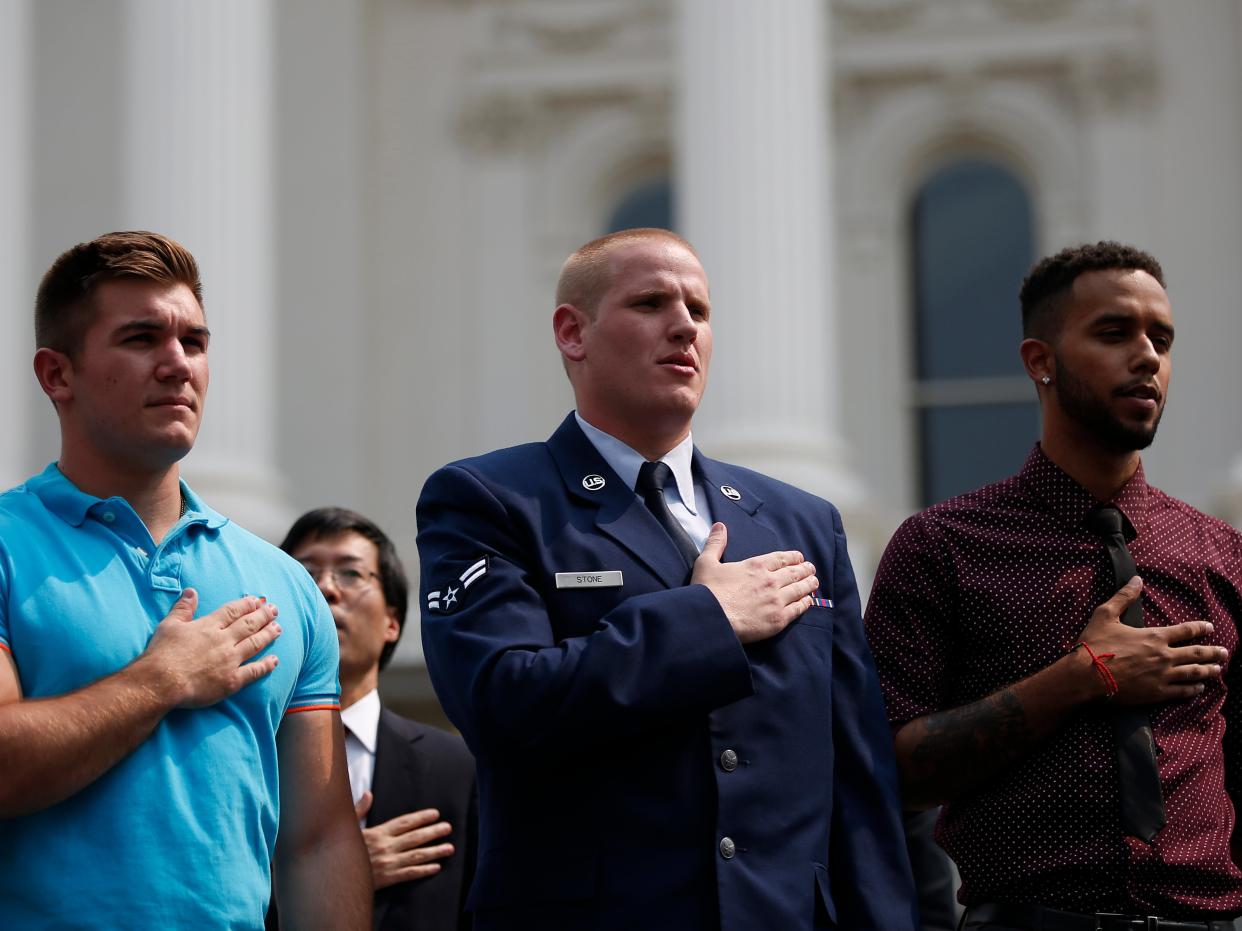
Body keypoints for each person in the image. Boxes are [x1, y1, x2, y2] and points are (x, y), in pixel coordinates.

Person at [415, 227, 916, 930]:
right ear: (572, 332)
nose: (684, 326)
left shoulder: (803, 522)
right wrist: (705, 618)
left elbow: (858, 776)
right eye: (650, 302)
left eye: (700, 311)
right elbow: (502, 700)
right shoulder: (489, 499)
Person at [865, 241, 1242, 930]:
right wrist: (1081, 676)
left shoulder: (1221, 554)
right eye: (1114, 332)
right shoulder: (941, 546)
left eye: (1162, 338)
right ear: (1039, 360)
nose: (1148, 357)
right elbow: (889, 771)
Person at [0, 231, 371, 929]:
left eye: (194, 342)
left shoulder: (285, 584)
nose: (178, 364)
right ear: (57, 374)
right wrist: (162, 679)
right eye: (142, 338)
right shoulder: (6, 544)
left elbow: (317, 841)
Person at [280, 507, 478, 931]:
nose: (325, 588)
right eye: (305, 573)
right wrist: (333, 873)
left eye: (350, 574)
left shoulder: (460, 768)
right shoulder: (243, 756)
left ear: (392, 621)